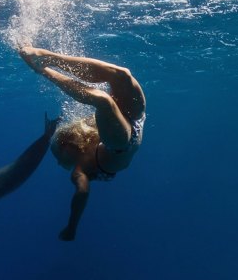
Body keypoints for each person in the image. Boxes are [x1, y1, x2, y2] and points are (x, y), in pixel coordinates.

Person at [19, 46, 146, 241]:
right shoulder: (81, 170)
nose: (62, 157)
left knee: (122, 75)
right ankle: (42, 68)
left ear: (67, 144)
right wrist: (72, 227)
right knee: (103, 101)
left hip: (135, 119)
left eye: (60, 151)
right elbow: (82, 193)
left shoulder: (92, 139)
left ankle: (47, 59)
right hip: (121, 145)